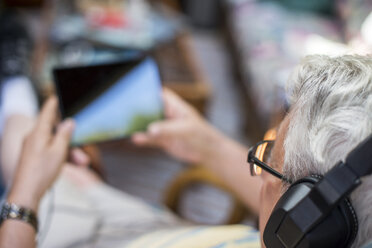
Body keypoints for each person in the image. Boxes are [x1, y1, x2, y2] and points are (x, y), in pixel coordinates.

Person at [0, 54, 372, 247]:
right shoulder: (332, 231)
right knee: (71, 170)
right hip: (164, 233)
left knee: (27, 151)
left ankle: (14, 79)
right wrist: (204, 143)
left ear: (301, 224)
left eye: (268, 161)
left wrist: (22, 200)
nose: (259, 174)